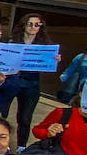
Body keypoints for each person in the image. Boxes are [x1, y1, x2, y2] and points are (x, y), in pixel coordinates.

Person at [10, 13, 55, 146]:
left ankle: (21, 146)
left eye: (37, 24)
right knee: (3, 113)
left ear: (41, 27)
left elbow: (47, 66)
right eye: (30, 24)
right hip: (13, 81)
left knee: (25, 118)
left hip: (31, 84)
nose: (33, 27)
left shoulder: (45, 45)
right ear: (24, 25)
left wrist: (54, 60)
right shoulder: (13, 41)